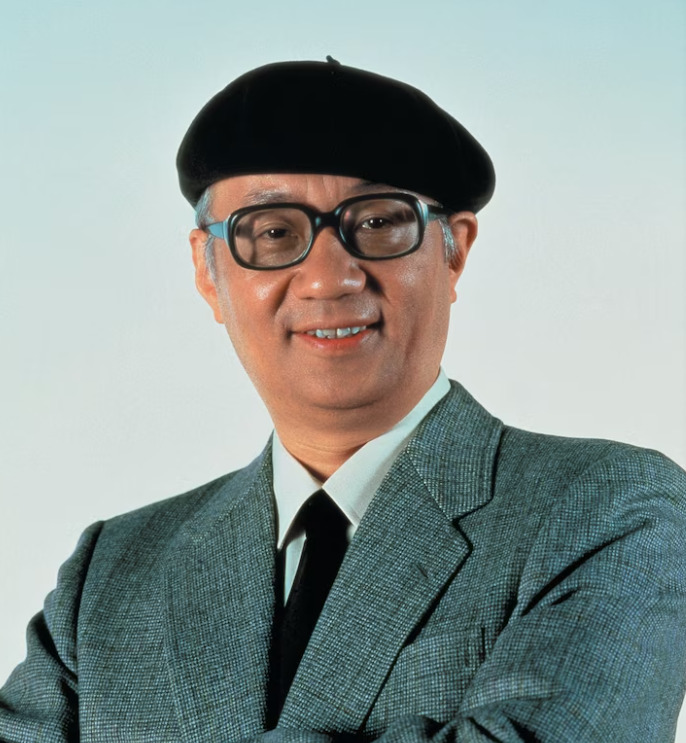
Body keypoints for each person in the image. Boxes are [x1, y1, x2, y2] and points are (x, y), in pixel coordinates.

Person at [1, 58, 685, 743]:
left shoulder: (614, 509)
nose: (328, 278)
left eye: (379, 222)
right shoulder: (112, 573)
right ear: (208, 274)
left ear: (455, 251)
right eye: (274, 232)